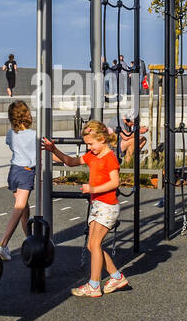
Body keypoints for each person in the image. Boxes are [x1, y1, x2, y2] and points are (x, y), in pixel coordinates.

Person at [43, 121, 127, 297]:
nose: (89, 147)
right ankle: (116, 276)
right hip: (99, 205)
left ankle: (94, 285)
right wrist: (54, 150)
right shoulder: (92, 156)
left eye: (91, 144)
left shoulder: (109, 157)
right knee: (91, 245)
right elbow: (71, 161)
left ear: (102, 139)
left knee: (95, 244)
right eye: (87, 144)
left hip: (108, 206)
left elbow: (115, 182)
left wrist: (93, 189)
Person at [0, 100, 37, 260]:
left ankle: (29, 238)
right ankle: (3, 244)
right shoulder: (34, 135)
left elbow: (11, 145)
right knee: (19, 208)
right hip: (26, 172)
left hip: (13, 171)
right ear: (27, 115)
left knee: (24, 209)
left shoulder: (10, 134)